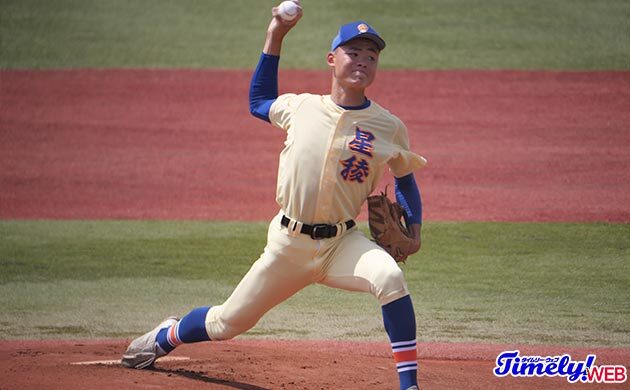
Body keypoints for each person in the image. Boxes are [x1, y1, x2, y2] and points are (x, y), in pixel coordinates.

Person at [122, 3, 426, 389]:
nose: (363, 61)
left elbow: (405, 179)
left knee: (390, 277)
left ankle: (409, 385)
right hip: (288, 244)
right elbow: (257, 101)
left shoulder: (388, 126)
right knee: (226, 323)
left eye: (371, 55)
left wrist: (415, 227)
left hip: (343, 243)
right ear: (332, 60)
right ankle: (167, 336)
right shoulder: (300, 107)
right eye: (353, 52)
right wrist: (276, 34)